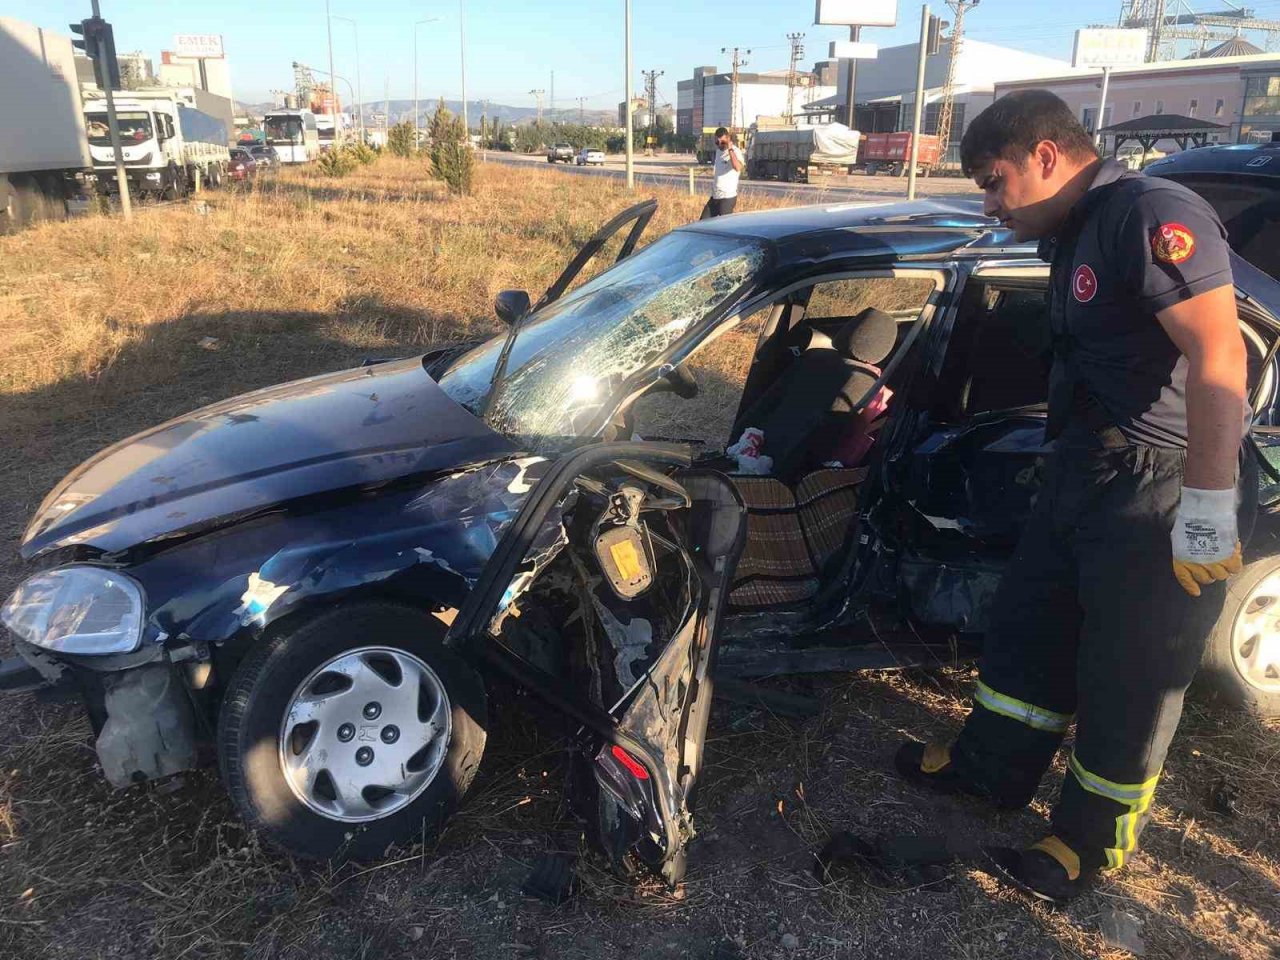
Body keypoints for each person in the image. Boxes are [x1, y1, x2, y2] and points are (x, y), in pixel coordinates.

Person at [894, 90, 1255, 902]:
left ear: (1047, 157)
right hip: (1082, 470)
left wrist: (1204, 506)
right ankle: (990, 770)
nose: (989, 204)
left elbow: (1220, 358)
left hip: (1159, 486)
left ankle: (1088, 842)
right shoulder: (1077, 228)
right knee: (1029, 629)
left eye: (994, 182)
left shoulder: (1149, 212)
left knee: (1129, 675)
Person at [701, 127, 744, 219]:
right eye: (717, 142)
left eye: (723, 142)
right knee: (702, 223)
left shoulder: (735, 151)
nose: (720, 145)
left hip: (727, 197)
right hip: (715, 196)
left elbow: (738, 167)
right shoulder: (718, 151)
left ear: (728, 139)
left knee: (725, 226)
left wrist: (730, 150)